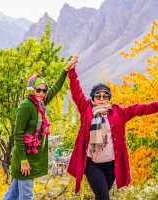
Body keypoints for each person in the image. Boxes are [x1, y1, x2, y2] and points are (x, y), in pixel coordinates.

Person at [66, 55, 158, 200]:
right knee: (104, 197)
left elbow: (139, 109)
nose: (102, 99)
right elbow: (76, 91)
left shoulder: (118, 112)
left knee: (101, 196)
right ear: (93, 98)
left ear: (109, 98)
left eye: (105, 96)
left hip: (111, 165)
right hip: (92, 165)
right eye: (98, 96)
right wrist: (72, 72)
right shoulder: (86, 109)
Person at [4, 68, 68, 200]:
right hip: (25, 159)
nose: (42, 93)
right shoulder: (26, 106)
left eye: (44, 90)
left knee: (12, 194)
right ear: (32, 89)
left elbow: (55, 88)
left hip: (29, 158)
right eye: (38, 90)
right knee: (26, 196)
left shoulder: (40, 104)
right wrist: (23, 161)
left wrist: (65, 71)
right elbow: (18, 135)